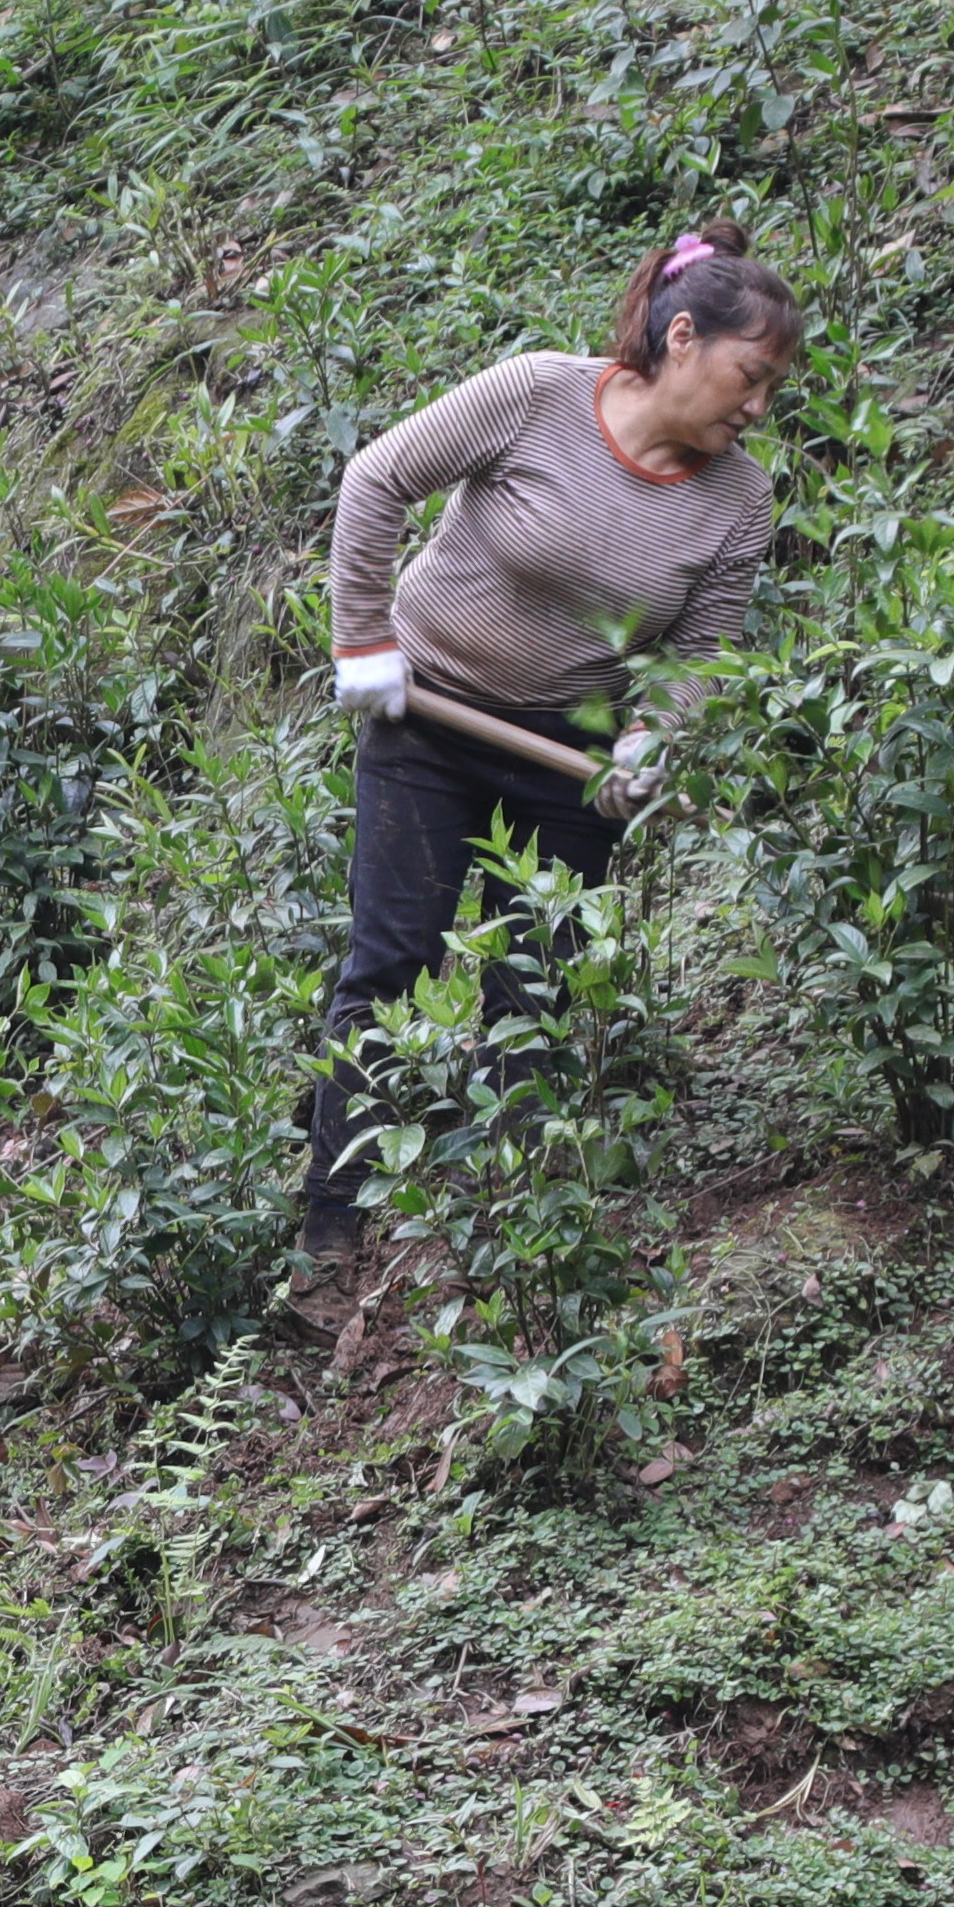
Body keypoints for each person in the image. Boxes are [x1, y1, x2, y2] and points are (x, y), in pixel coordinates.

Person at [298, 232, 803, 1322]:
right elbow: (377, 476)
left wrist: (651, 743)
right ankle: (328, 1247)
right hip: (423, 718)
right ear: (682, 338)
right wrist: (362, 642)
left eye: (771, 388)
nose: (758, 406)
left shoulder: (738, 502)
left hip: (565, 762)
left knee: (533, 992)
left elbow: (701, 651)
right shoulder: (536, 396)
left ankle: (506, 1259)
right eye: (748, 376)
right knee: (389, 965)